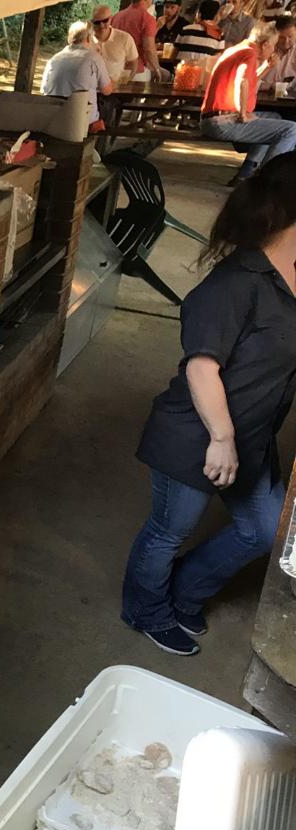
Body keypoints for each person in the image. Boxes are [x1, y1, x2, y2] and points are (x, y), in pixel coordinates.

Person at [122, 152, 296, 656]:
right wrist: (221, 439)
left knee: (263, 530)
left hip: (255, 438)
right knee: (168, 533)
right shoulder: (236, 283)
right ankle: (145, 610)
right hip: (197, 438)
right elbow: (202, 367)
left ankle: (184, 592)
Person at [199, 21, 296, 183]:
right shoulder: (250, 54)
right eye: (273, 45)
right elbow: (243, 81)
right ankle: (266, 181)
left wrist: (266, 67)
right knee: (292, 130)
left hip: (213, 118)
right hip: (223, 121)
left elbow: (249, 81)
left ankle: (247, 171)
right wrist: (243, 113)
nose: (274, 49)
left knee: (275, 118)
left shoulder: (239, 49)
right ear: (265, 45)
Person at [42, 22, 116, 130]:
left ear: (69, 39)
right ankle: (102, 144)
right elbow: (107, 90)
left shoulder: (53, 59)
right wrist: (114, 82)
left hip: (53, 118)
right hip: (82, 121)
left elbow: (44, 90)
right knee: (110, 104)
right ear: (88, 39)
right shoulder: (93, 58)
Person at [113, 0, 165, 80]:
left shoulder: (117, 16)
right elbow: (149, 49)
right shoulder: (147, 18)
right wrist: (157, 70)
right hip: (137, 71)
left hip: (116, 69)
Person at [92, 5, 141, 82]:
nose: (101, 26)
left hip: (117, 87)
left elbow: (134, 63)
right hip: (92, 88)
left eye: (105, 21)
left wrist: (126, 81)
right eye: (97, 22)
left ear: (111, 19)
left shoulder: (125, 38)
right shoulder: (86, 40)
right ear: (92, 22)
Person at [260, 15, 296, 92]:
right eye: (282, 38)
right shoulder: (265, 48)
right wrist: (270, 87)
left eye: (290, 36)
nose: (286, 42)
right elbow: (253, 80)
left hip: (290, 98)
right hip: (263, 96)